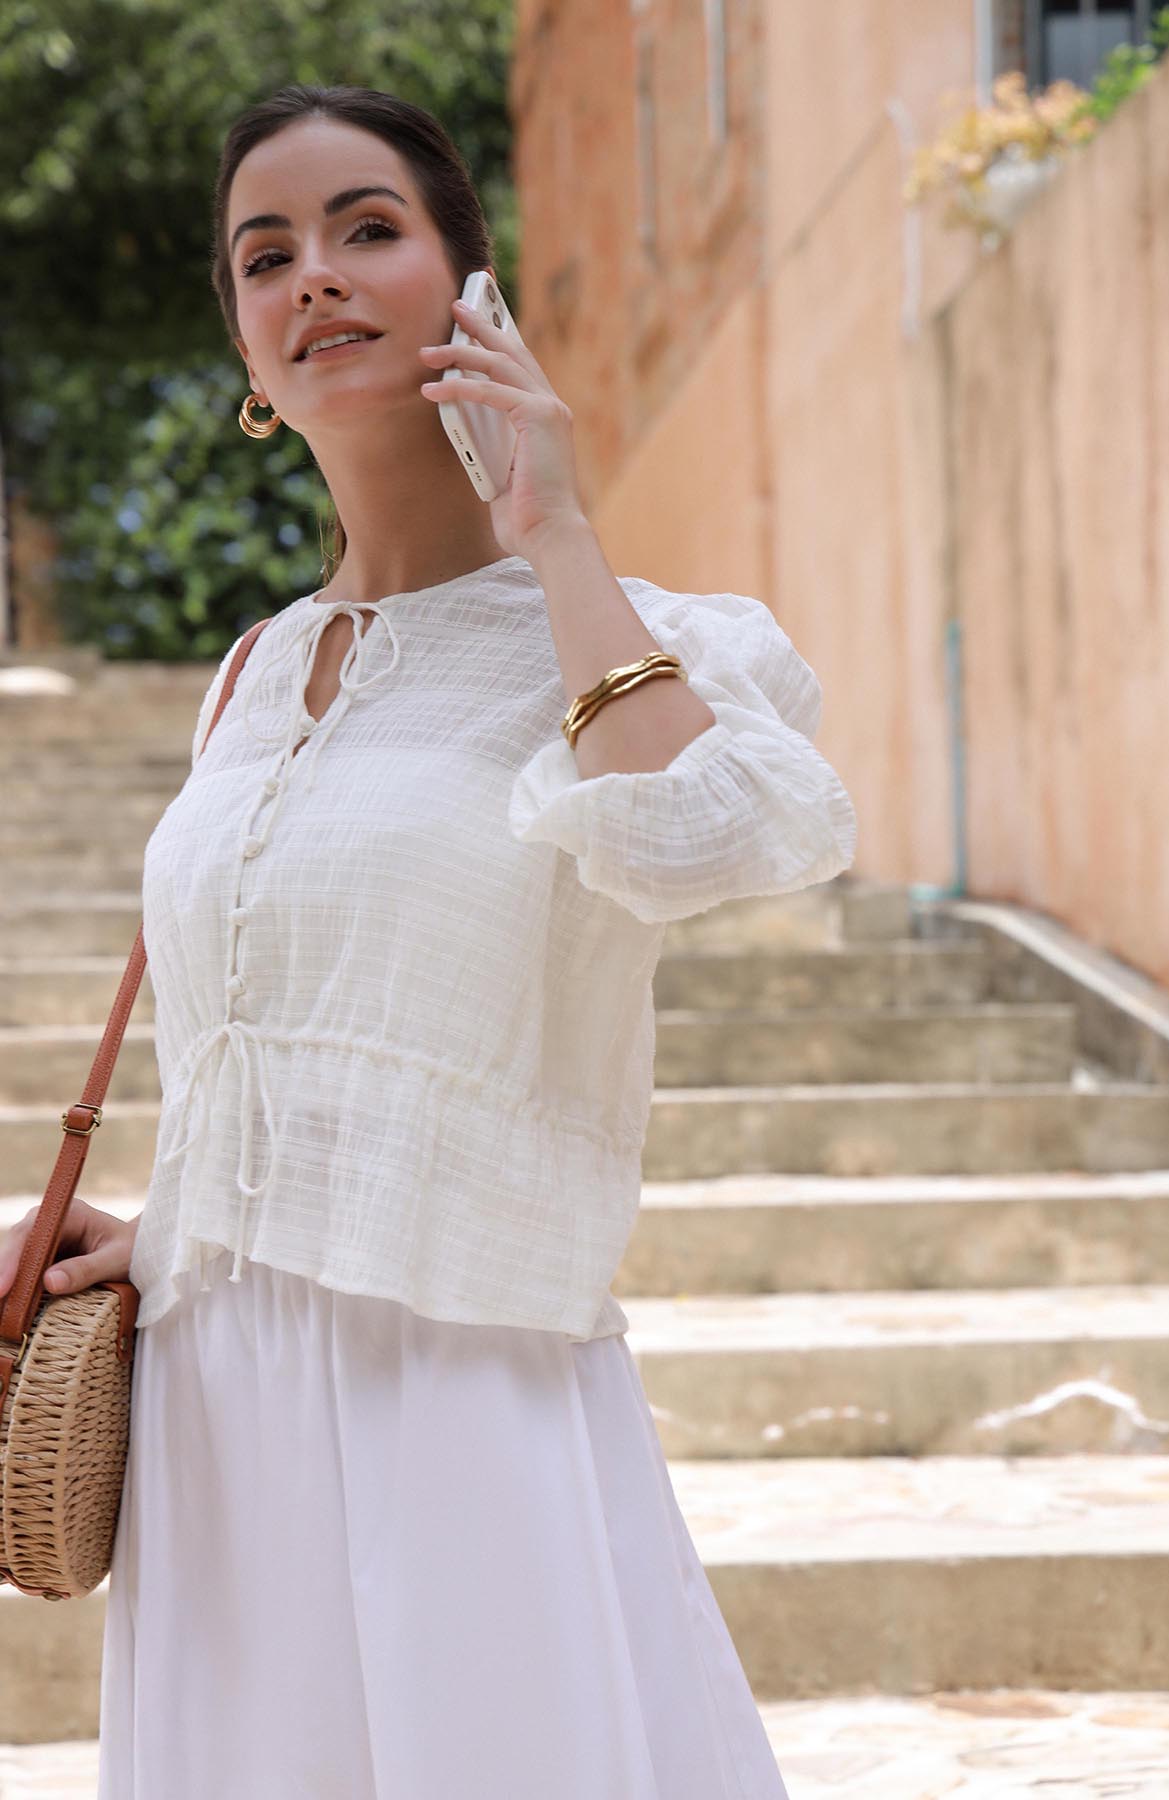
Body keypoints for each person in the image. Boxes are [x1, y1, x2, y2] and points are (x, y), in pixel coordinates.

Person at [0, 82, 858, 1797]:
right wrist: (166, 1227)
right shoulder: (249, 677)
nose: (313, 274)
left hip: (460, 1384)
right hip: (214, 1406)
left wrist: (555, 534)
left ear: (473, 291)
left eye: (367, 229)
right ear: (247, 352)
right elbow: (273, 1042)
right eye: (266, 256)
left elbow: (711, 843)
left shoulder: (640, 631)